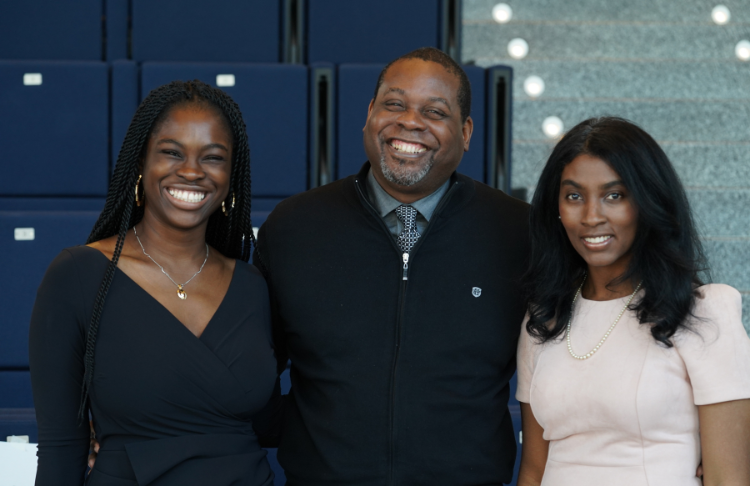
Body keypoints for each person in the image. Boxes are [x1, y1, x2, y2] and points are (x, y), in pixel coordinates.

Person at [254, 47, 530, 485]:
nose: (410, 122)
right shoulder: (294, 227)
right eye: (394, 104)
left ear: (466, 131)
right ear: (369, 114)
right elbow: (247, 369)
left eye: (434, 111)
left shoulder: (519, 233)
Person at [29, 80, 279, 485]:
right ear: (141, 165)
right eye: (171, 153)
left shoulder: (251, 285)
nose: (192, 171)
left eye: (213, 158)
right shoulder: (79, 275)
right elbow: (61, 448)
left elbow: (268, 422)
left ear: (232, 177)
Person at [516, 116, 750, 486]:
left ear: (646, 202)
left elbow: (729, 478)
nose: (592, 217)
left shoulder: (704, 311)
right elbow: (533, 470)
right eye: (574, 196)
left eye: (615, 195)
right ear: (556, 209)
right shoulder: (545, 317)